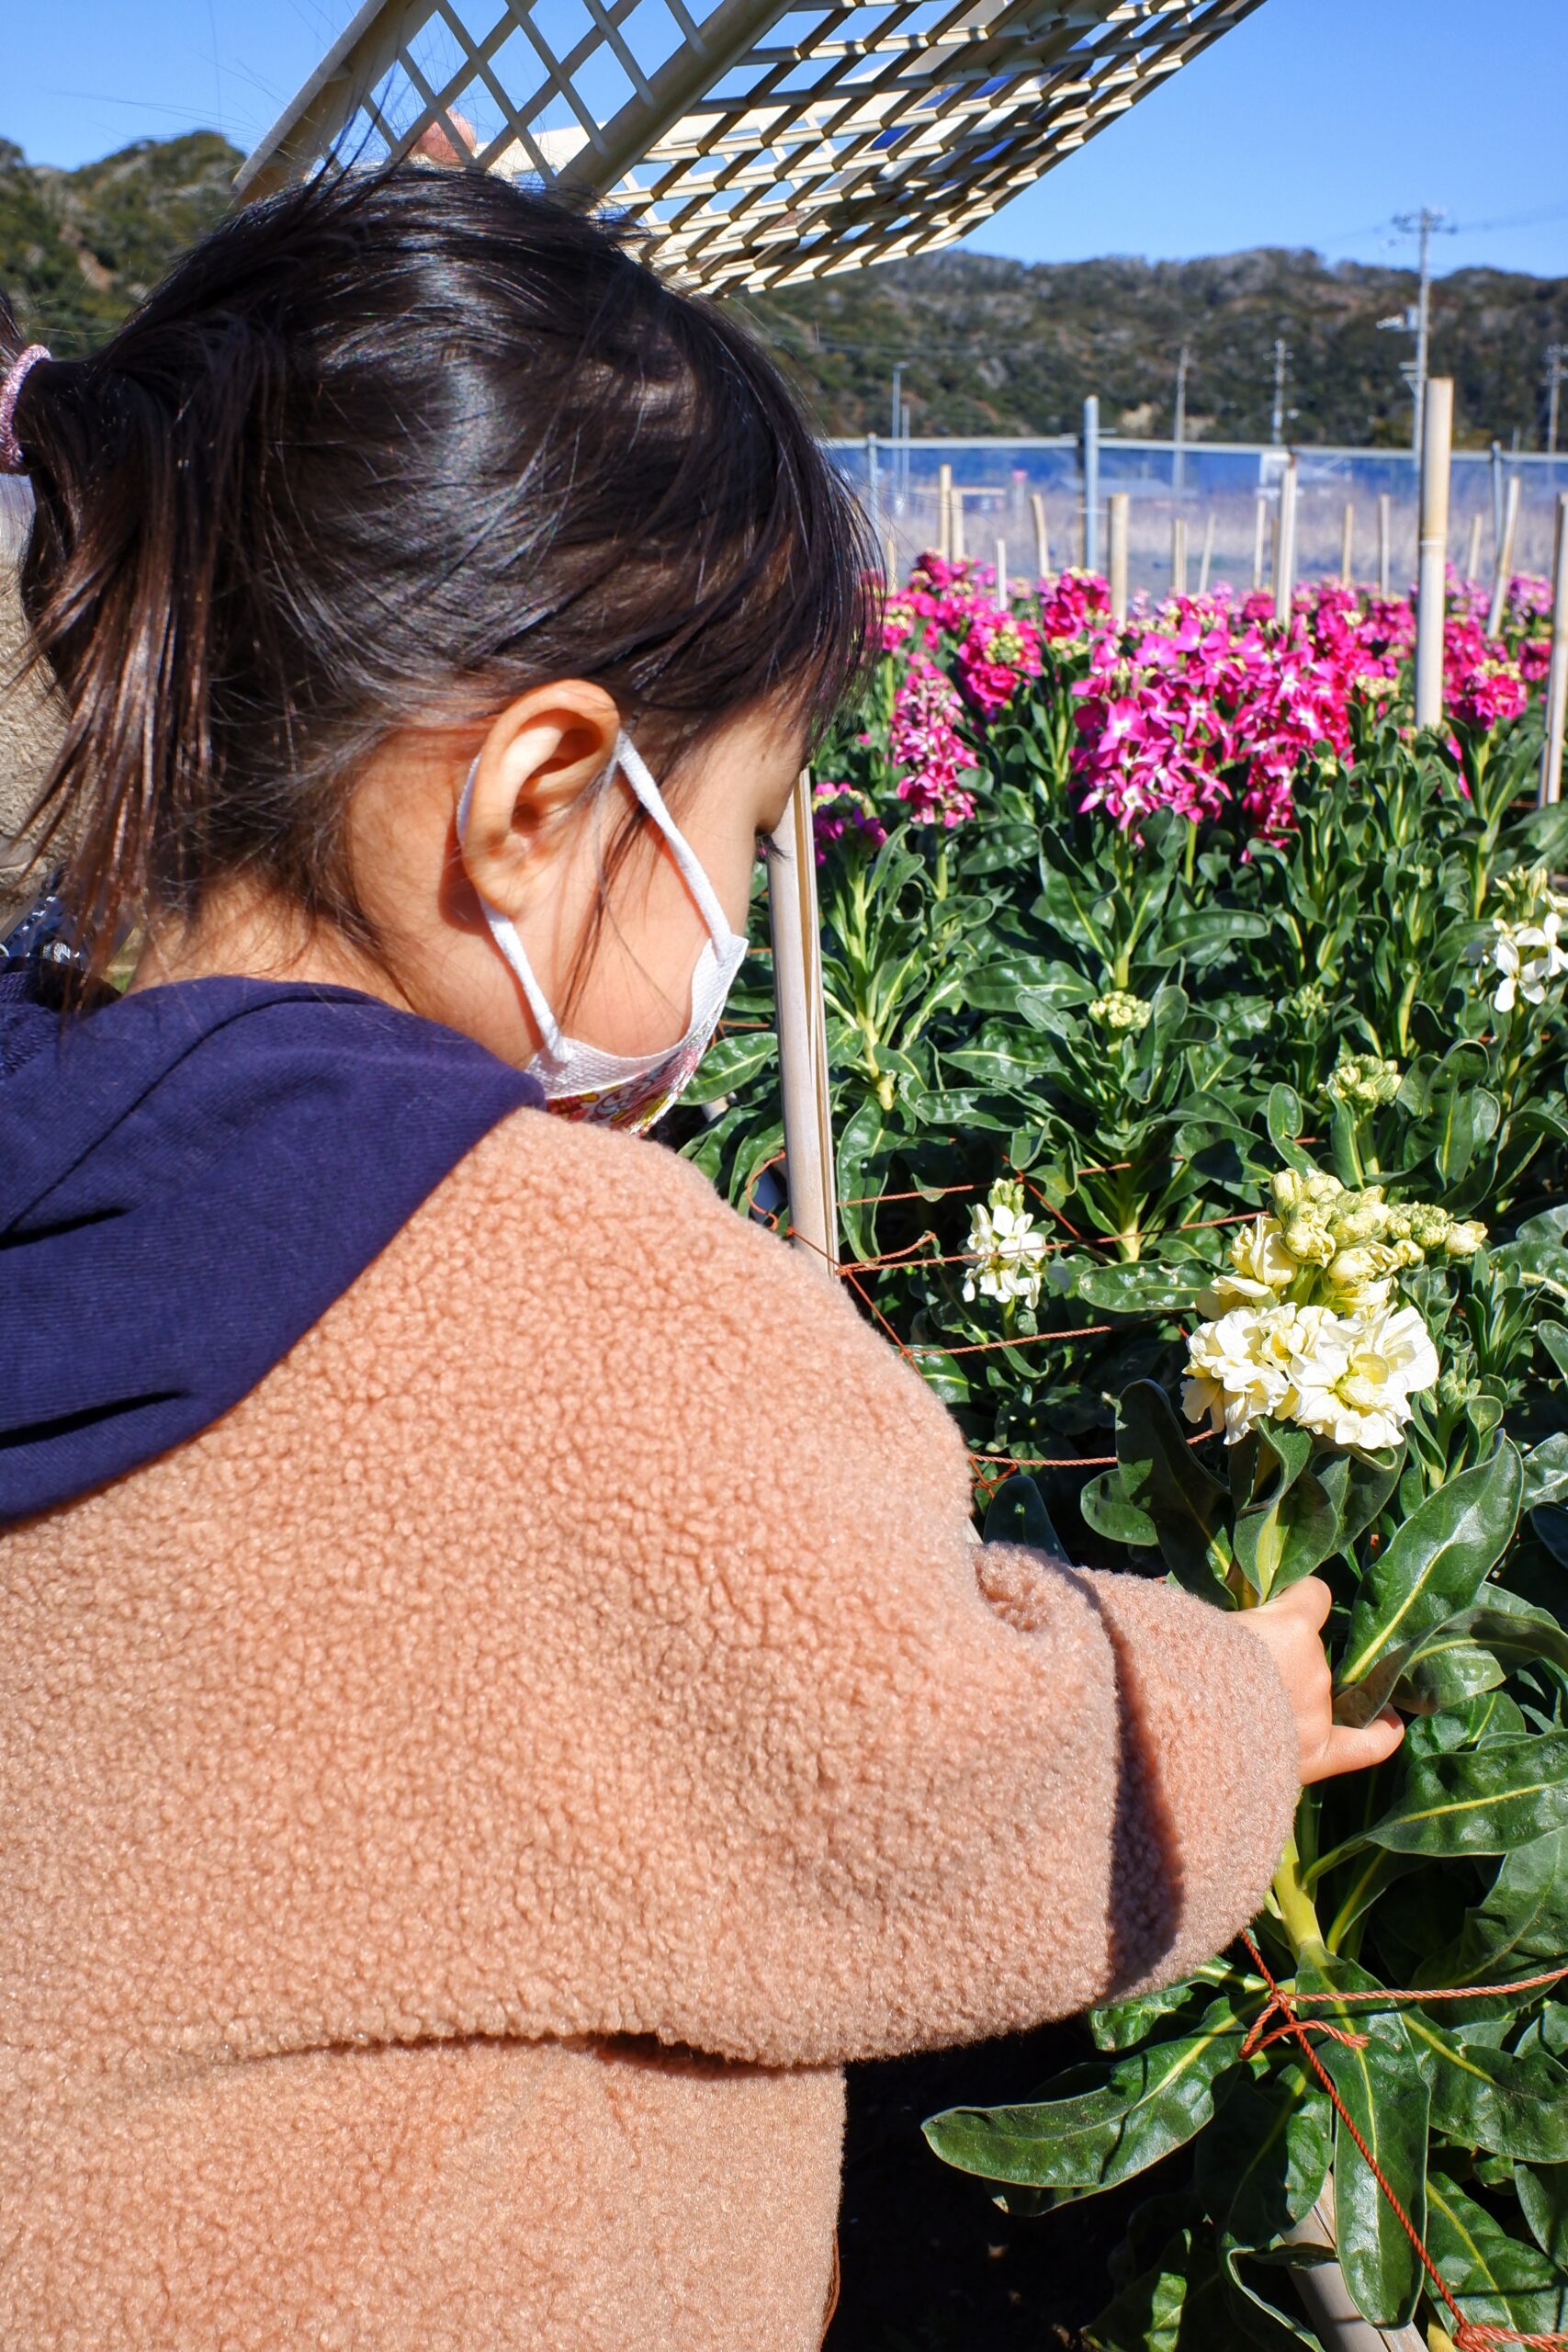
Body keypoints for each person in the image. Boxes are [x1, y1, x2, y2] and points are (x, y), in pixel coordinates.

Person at [0, 165, 1402, 2352]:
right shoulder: (580, 1304)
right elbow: (933, 1794)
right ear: (540, 800)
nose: (739, 911)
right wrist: (1219, 1710)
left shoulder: (45, 1120)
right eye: (746, 831)